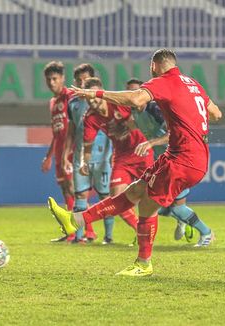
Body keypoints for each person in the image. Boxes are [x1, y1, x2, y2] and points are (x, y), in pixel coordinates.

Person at [48, 49, 222, 276]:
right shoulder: (192, 83)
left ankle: (143, 263)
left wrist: (97, 93)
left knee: (147, 205)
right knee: (135, 191)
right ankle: (76, 220)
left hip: (184, 159)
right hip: (186, 154)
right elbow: (217, 114)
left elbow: (135, 99)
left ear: (155, 65)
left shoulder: (164, 81)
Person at [126, 78, 214, 245]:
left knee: (177, 207)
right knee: (151, 204)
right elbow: (131, 126)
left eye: (137, 92)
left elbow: (172, 134)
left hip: (178, 160)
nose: (135, 96)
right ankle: (182, 220)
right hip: (162, 162)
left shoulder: (155, 110)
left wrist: (151, 142)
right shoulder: (135, 113)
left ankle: (207, 233)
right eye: (131, 92)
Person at [78, 76, 154, 244]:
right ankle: (141, 233)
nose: (94, 104)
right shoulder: (90, 117)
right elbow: (88, 145)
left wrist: (125, 127)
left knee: (155, 198)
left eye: (96, 99)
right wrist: (84, 162)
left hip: (142, 152)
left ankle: (187, 221)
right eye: (90, 101)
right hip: (121, 157)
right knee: (117, 200)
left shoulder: (118, 102)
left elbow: (140, 119)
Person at [63, 63, 114, 244]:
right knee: (80, 196)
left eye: (84, 79)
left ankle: (108, 237)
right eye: (78, 80)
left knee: (104, 197)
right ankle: (79, 237)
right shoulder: (74, 104)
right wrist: (65, 155)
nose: (81, 83)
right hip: (81, 155)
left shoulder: (104, 100)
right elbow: (71, 130)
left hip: (103, 157)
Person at [41, 61, 75, 242]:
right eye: (48, 80)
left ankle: (85, 232)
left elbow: (74, 125)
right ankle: (72, 232)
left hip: (71, 149)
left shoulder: (70, 96)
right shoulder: (53, 102)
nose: (51, 82)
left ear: (62, 78)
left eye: (55, 78)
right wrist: (48, 156)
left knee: (73, 189)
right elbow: (56, 132)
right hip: (59, 149)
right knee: (65, 189)